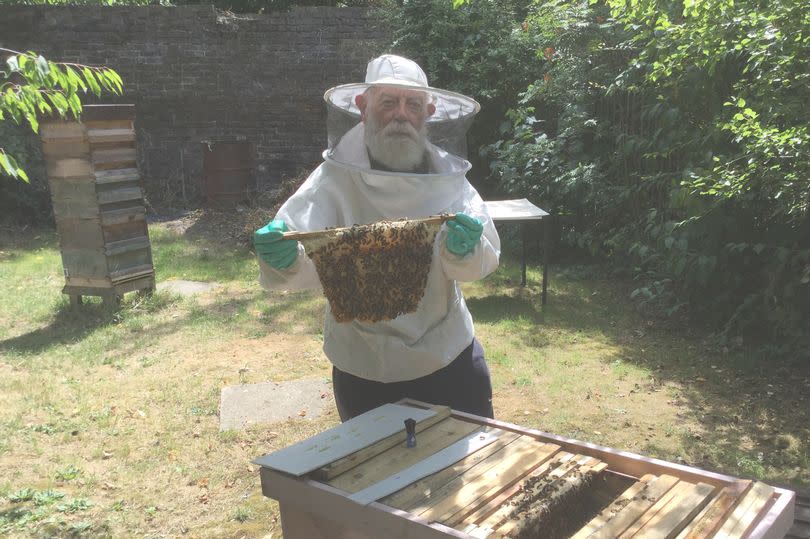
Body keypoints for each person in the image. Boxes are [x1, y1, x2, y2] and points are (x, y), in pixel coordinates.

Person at [254, 54, 501, 421]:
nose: (401, 114)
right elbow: (306, 256)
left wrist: (465, 250)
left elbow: (481, 261)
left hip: (447, 355)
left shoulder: (449, 179)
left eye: (412, 104)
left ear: (428, 112)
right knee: (373, 475)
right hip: (362, 366)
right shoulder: (333, 180)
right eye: (388, 102)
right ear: (363, 107)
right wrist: (285, 259)